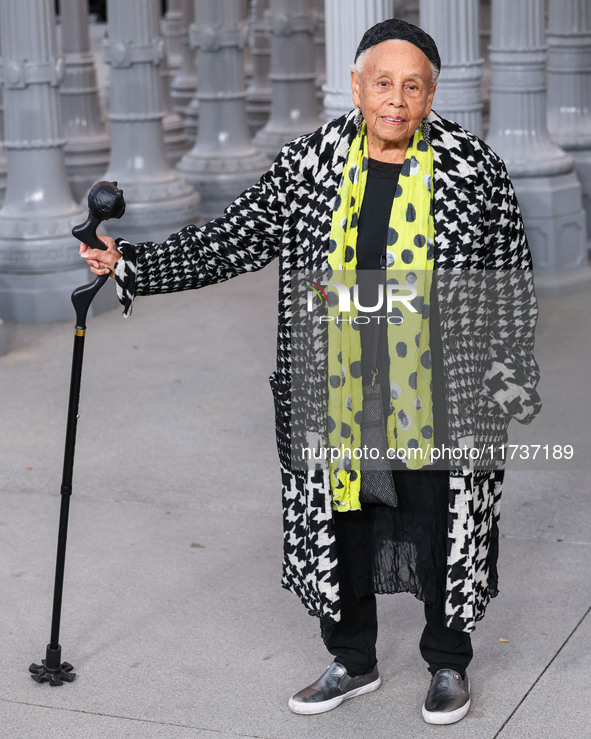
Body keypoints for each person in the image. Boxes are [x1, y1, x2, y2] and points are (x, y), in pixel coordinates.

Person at [81, 18, 541, 726]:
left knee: (441, 518)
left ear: (430, 94)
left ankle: (446, 662)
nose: (396, 99)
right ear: (356, 87)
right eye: (382, 82)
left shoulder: (472, 167)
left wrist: (509, 380)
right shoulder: (310, 162)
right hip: (336, 386)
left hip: (443, 388)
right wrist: (131, 262)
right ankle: (351, 660)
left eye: (411, 85)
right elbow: (233, 240)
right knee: (341, 518)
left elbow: (508, 279)